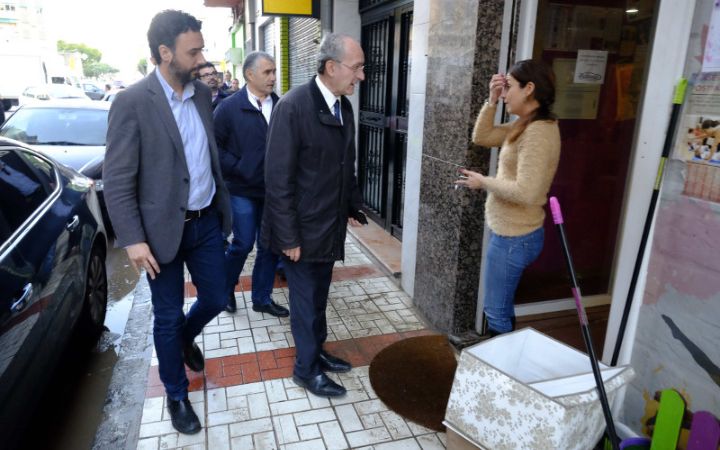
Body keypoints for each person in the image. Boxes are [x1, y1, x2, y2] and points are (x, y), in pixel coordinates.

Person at [103, 9, 232, 435]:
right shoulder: (133, 102)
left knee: (216, 296)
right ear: (164, 52)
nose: (201, 58)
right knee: (165, 315)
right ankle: (177, 395)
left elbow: (204, 156)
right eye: (193, 51)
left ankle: (183, 338)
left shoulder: (199, 95)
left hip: (206, 221)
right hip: (159, 235)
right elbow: (117, 179)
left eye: (201, 48)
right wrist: (133, 240)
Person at [262, 33, 367, 398]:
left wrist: (352, 205)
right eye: (357, 67)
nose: (361, 76)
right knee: (305, 304)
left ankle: (316, 352)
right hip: (302, 233)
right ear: (331, 67)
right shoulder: (293, 107)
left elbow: (344, 165)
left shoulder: (343, 106)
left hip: (328, 225)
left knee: (319, 299)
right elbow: (277, 180)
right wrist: (287, 237)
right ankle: (305, 370)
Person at [455, 59, 561, 337]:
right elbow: (483, 136)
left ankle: (499, 371)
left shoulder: (539, 132)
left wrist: (483, 182)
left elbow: (528, 192)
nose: (504, 94)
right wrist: (490, 101)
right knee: (500, 306)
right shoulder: (524, 125)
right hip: (512, 234)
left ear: (529, 89)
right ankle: (503, 361)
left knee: (496, 311)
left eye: (508, 88)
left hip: (516, 238)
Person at [214, 51, 289, 317]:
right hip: (242, 190)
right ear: (249, 74)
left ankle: (262, 298)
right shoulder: (228, 108)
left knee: (269, 246)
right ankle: (225, 291)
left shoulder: (281, 105)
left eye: (274, 72)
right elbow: (216, 148)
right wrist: (239, 167)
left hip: (272, 192)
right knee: (243, 243)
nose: (273, 77)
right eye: (267, 72)